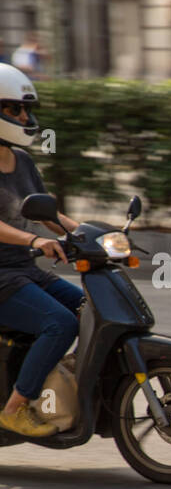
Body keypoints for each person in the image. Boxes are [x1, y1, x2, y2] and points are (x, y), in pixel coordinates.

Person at [0, 63, 83, 437]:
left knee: (88, 309)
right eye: (13, 109)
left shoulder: (24, 160)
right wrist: (34, 241)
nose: (23, 117)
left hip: (24, 270)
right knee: (59, 322)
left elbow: (45, 212)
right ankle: (15, 409)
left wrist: (89, 233)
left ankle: (49, 376)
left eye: (25, 109)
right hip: (2, 277)